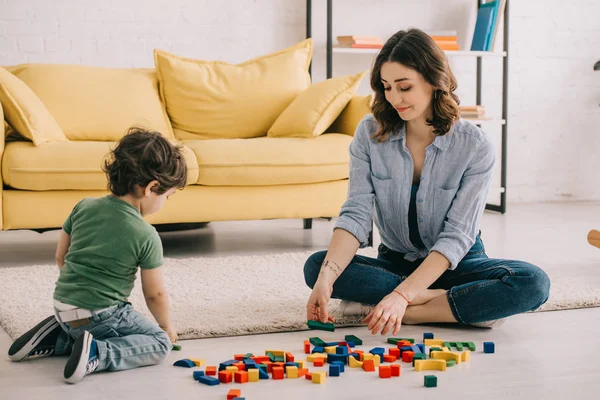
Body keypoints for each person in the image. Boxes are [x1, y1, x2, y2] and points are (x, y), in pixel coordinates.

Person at [304, 28, 550, 336]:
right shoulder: (369, 134)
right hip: (396, 263)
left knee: (532, 283)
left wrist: (400, 296)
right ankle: (454, 307)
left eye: (404, 87)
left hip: (457, 265)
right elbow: (355, 214)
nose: (394, 98)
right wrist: (327, 279)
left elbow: (457, 237)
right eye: (387, 87)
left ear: (434, 81)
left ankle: (407, 314)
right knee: (316, 267)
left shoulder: (475, 146)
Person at [8, 127, 188, 383]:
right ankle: (98, 353)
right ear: (152, 187)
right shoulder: (146, 234)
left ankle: (60, 336)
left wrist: (80, 293)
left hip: (62, 306)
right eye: (167, 196)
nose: (164, 203)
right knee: (158, 343)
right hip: (99, 316)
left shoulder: (83, 207)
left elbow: (62, 257)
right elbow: (154, 294)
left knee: (90, 320)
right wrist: (166, 325)